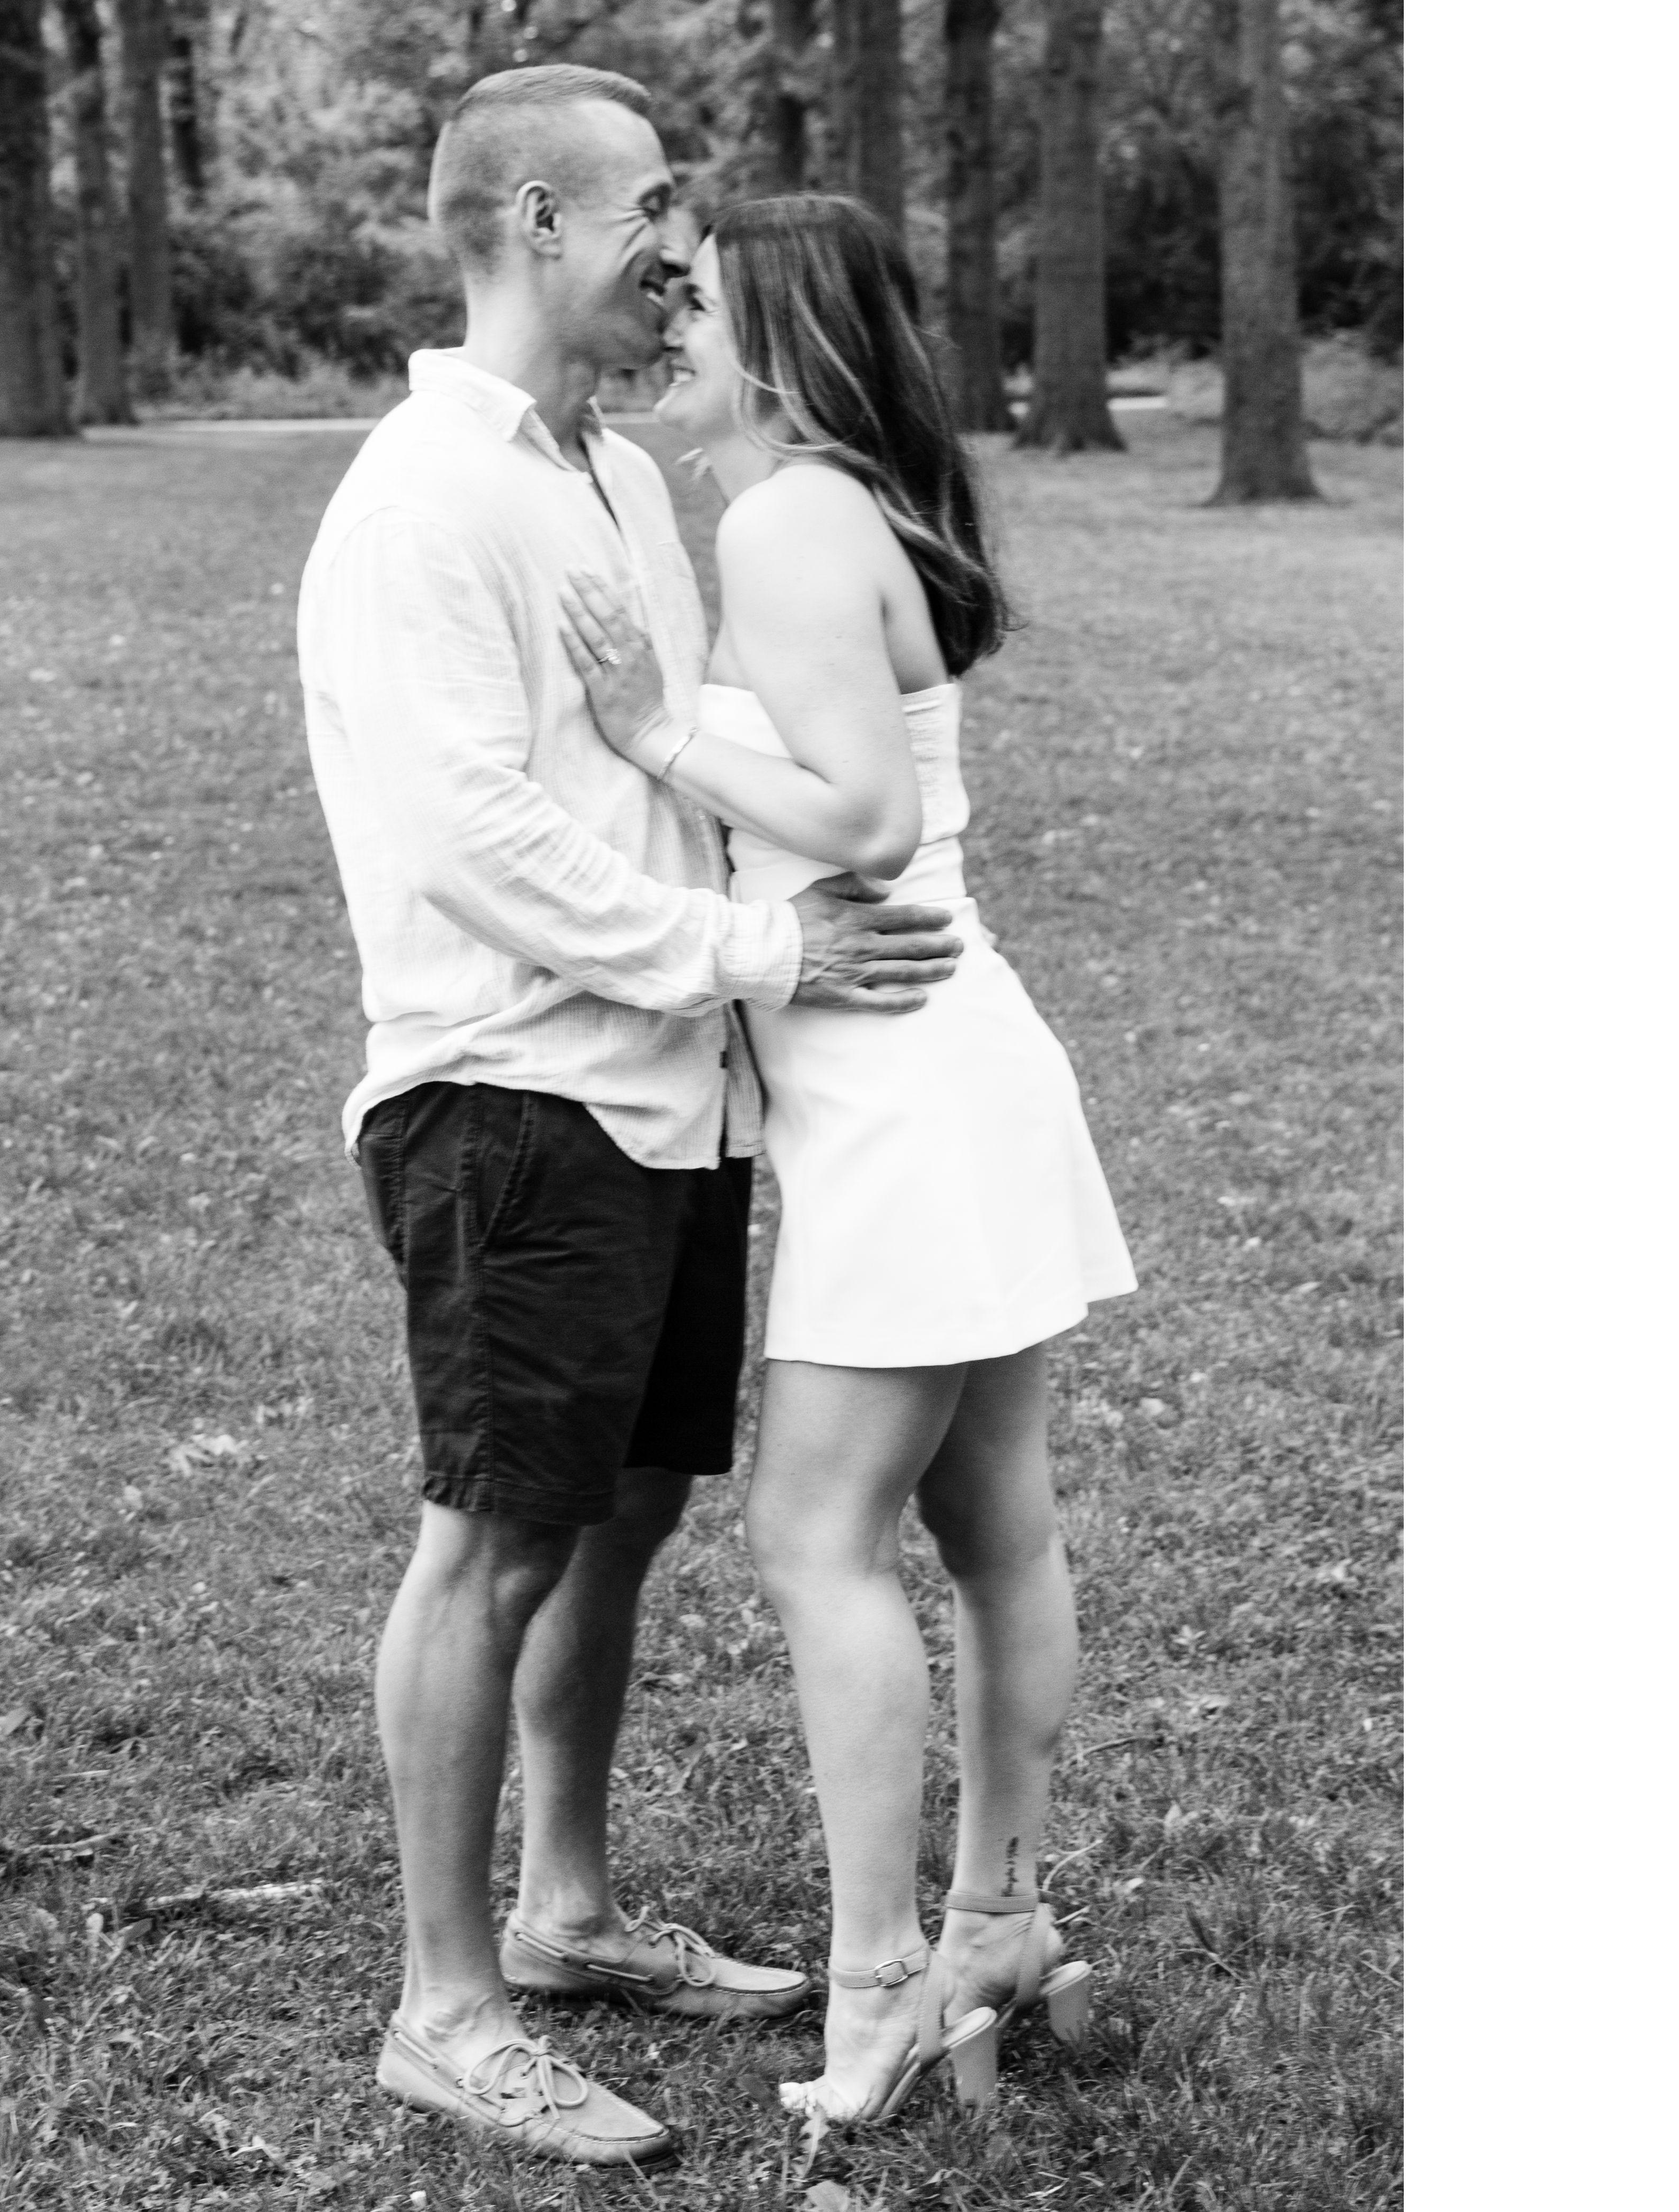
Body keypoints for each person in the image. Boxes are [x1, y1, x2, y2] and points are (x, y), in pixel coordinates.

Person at [295, 74, 969, 2167]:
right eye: (655, 207)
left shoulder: (609, 475)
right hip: (515, 1091)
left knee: (619, 1515)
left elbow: (661, 760)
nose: (685, 246)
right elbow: (473, 835)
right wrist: (757, 956)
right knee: (496, 1535)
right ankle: (446, 2007)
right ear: (534, 217)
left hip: (670, 1095)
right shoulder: (423, 500)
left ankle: (568, 1912)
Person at [557, 194, 1139, 2124]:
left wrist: (651, 733)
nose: (669, 321)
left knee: (817, 1538)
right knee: (994, 1528)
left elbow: (868, 820)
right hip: (948, 1061)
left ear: (787, 339)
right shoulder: (854, 503)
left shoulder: (788, 518)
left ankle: (883, 1978)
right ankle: (995, 1922)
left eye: (701, 301)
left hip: (900, 1083)